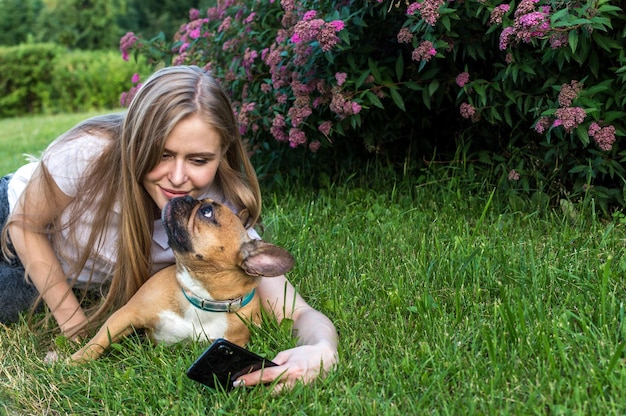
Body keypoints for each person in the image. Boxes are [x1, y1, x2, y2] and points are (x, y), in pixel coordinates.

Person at [0, 65, 338, 391]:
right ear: (136, 141)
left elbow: (297, 312)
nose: (177, 178)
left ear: (223, 154)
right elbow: (26, 227)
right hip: (17, 221)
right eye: (162, 154)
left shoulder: (217, 217)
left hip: (64, 272)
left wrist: (322, 348)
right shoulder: (90, 151)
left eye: (199, 160)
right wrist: (75, 330)